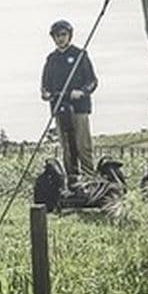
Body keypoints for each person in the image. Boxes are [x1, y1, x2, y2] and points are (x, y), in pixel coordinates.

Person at [40, 20, 98, 178]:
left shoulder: (80, 55)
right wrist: (46, 94)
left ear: (69, 36)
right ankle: (72, 180)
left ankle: (89, 179)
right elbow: (45, 86)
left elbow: (92, 81)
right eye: (57, 36)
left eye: (63, 35)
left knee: (82, 145)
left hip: (79, 107)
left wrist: (82, 92)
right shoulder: (51, 59)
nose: (60, 38)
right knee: (66, 146)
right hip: (59, 106)